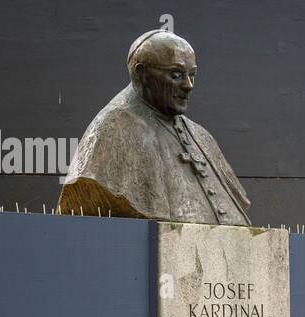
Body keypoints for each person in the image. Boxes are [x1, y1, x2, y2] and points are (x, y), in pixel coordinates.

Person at [58, 29, 253, 225]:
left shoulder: (201, 135)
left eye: (192, 74)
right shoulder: (112, 129)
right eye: (176, 74)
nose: (188, 85)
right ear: (142, 74)